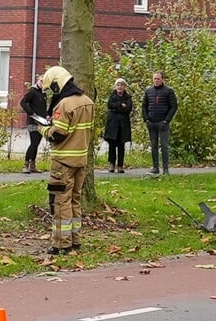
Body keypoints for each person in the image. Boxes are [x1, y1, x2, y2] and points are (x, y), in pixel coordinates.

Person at [37, 65, 95, 255]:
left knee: (60, 202)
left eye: (52, 88)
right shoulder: (87, 101)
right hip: (80, 160)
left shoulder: (64, 104)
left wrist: (43, 129)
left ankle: (61, 244)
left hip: (63, 162)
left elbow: (58, 135)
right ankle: (75, 240)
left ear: (57, 84)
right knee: (75, 200)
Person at [142, 71, 177, 175]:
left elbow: (174, 106)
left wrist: (167, 120)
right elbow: (144, 106)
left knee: (164, 146)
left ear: (162, 79)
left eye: (158, 79)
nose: (156, 81)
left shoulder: (169, 91)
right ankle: (155, 167)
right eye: (154, 79)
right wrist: (146, 119)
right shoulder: (148, 91)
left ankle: (165, 169)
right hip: (151, 122)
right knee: (153, 146)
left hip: (163, 123)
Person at [104, 77, 133, 174]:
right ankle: (112, 164)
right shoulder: (111, 96)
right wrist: (121, 105)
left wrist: (118, 106)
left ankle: (120, 165)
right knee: (112, 145)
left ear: (125, 87)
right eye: (118, 85)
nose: (120, 87)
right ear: (115, 86)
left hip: (123, 125)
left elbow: (128, 109)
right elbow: (110, 106)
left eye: (122, 85)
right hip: (112, 124)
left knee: (121, 145)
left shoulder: (128, 97)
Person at [19, 80, 48, 174]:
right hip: (33, 122)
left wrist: (47, 115)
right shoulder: (32, 91)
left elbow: (42, 108)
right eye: (41, 81)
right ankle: (25, 165)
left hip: (41, 122)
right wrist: (30, 112)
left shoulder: (43, 94)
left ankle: (33, 165)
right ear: (38, 81)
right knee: (34, 143)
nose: (42, 83)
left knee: (37, 143)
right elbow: (23, 102)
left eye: (44, 82)